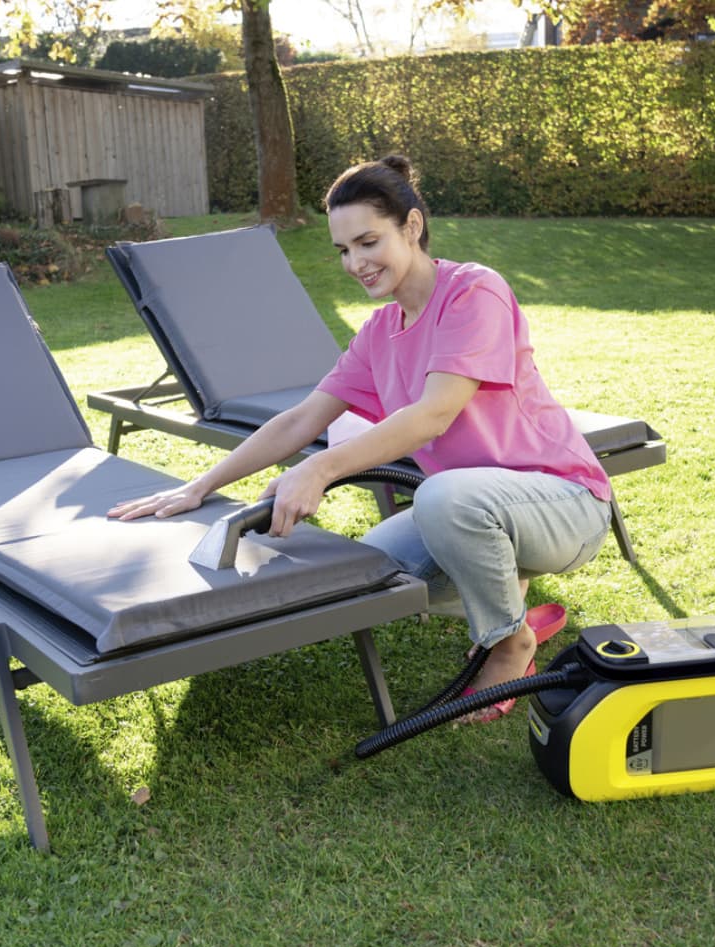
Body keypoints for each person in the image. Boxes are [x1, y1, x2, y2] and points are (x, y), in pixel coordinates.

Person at [108, 154, 612, 722]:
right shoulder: (379, 333)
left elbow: (434, 414)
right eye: (343, 250)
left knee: (441, 499)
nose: (355, 263)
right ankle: (508, 594)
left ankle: (509, 644)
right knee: (371, 573)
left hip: (564, 503)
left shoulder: (474, 291)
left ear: (412, 226)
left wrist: (320, 469)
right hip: (477, 509)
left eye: (368, 242)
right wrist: (199, 487)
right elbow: (301, 420)